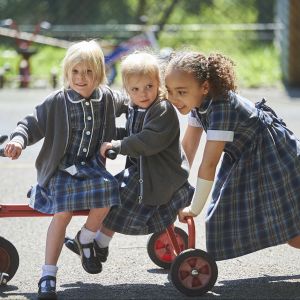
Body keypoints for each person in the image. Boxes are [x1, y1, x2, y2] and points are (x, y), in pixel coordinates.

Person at [4, 40, 127, 299]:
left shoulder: (106, 98)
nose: (81, 78)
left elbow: (135, 102)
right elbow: (31, 123)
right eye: (75, 72)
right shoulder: (57, 101)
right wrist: (17, 139)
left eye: (88, 72)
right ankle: (48, 274)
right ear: (67, 73)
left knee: (109, 189)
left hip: (91, 168)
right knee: (63, 212)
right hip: (60, 169)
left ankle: (85, 238)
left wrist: (154, 100)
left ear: (100, 74)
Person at [164, 51, 300, 261]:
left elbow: (209, 163)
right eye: (170, 91)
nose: (174, 98)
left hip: (271, 155)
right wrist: (173, 187)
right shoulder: (198, 103)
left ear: (205, 87)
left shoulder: (221, 108)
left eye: (181, 92)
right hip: (246, 156)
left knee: (293, 235)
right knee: (234, 215)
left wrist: (194, 207)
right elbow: (189, 147)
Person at [64, 51, 193, 260]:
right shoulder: (135, 106)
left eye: (149, 87)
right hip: (142, 170)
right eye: (135, 89)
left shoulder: (161, 109)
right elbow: (132, 133)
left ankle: (90, 239)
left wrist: (118, 145)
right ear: (127, 90)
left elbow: (147, 140)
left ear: (158, 83)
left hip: (162, 175)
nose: (143, 93)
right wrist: (108, 135)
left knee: (116, 196)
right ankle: (100, 243)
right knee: (112, 194)